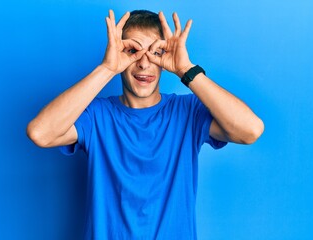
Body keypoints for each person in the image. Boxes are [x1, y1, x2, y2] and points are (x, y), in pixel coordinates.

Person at [27, 9, 264, 239]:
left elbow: (250, 130)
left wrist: (186, 70)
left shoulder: (187, 112)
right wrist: (107, 68)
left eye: (155, 53)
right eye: (132, 51)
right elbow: (41, 133)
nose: (144, 63)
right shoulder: (96, 115)